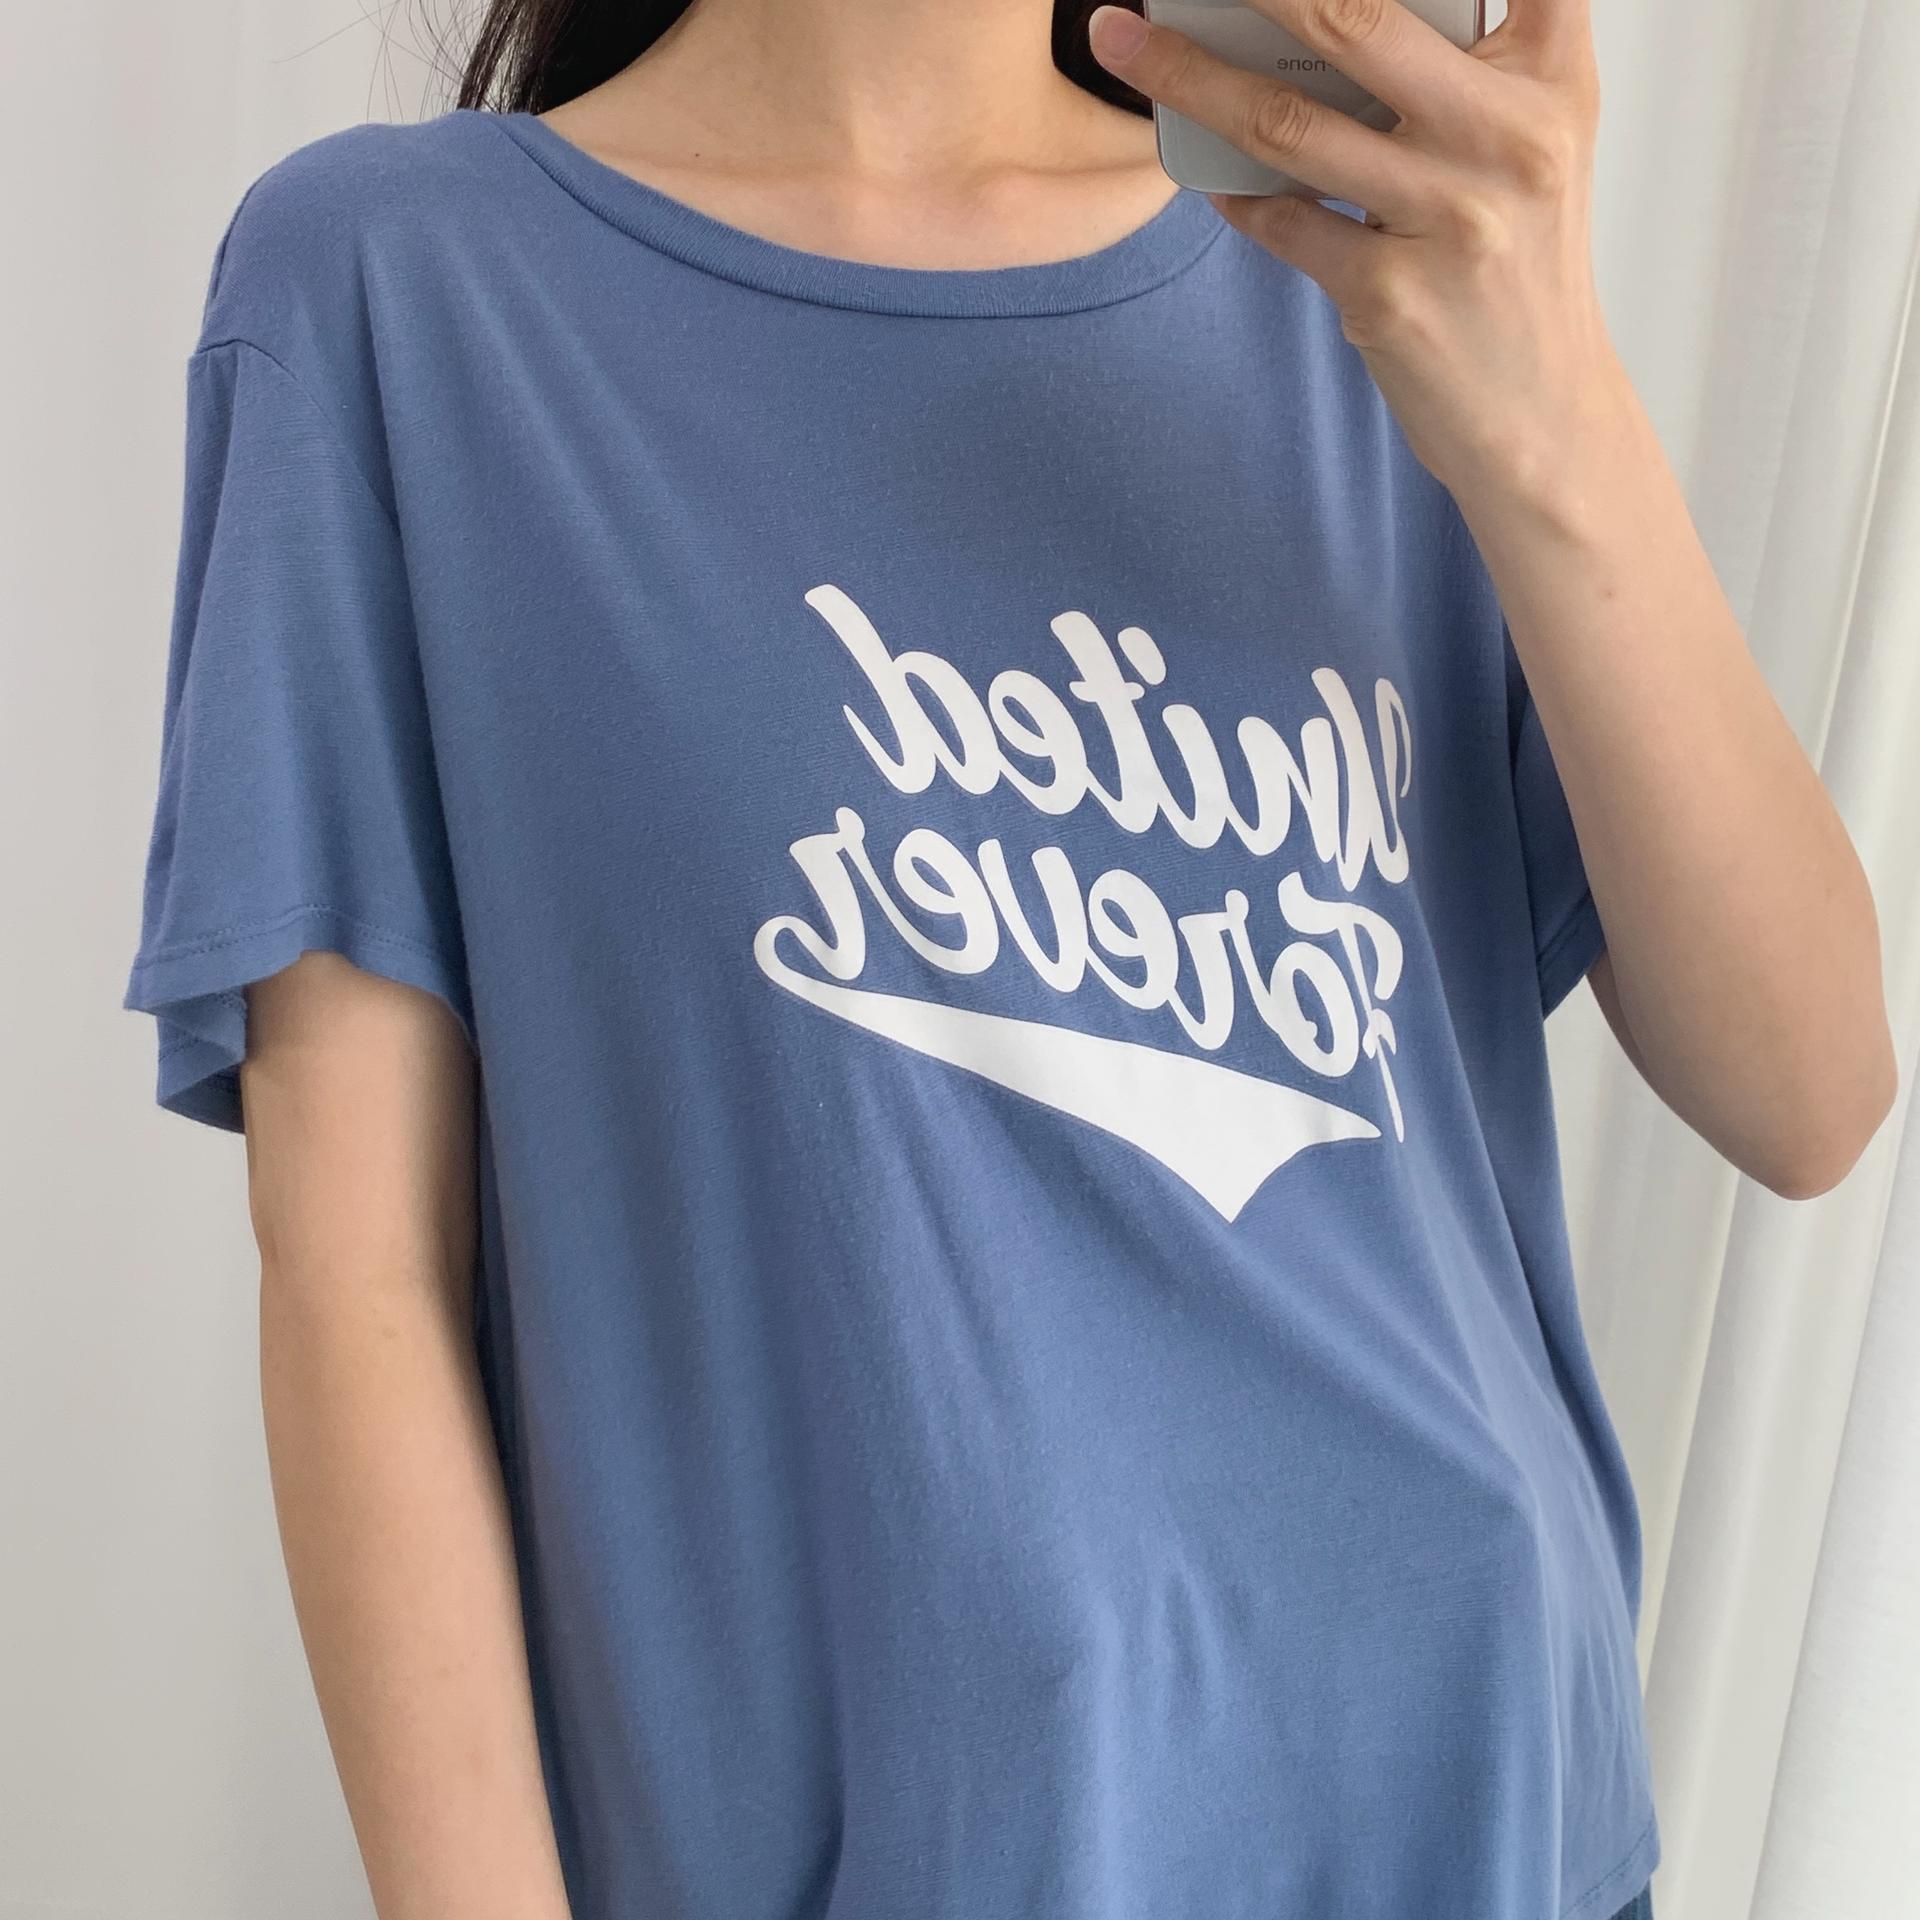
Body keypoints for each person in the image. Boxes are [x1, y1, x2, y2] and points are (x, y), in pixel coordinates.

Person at [119, 0, 1895, 1915]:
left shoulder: (1371, 274)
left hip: (1487, 1807)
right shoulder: (398, 286)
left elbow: (1807, 1094)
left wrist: (1558, 412)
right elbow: (357, 1272)